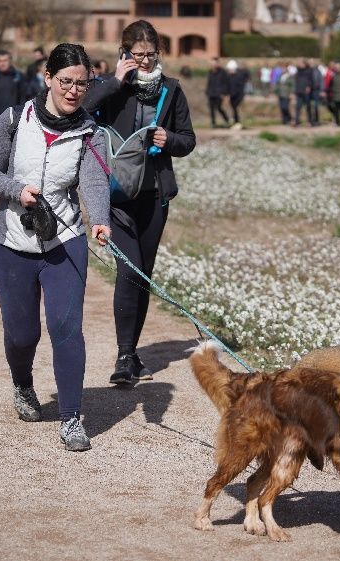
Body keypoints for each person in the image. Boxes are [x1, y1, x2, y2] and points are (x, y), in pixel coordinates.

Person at [0, 42, 112, 452]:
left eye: (82, 84)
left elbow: (94, 183)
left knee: (66, 328)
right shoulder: (16, 119)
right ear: (48, 78)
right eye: (66, 81)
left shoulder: (92, 133)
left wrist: (100, 219)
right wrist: (16, 190)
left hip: (64, 243)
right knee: (22, 335)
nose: (73, 90)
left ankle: (71, 417)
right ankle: (23, 384)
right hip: (12, 243)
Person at [83, 19, 196, 385]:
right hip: (116, 195)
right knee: (129, 271)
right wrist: (116, 80)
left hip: (154, 195)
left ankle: (131, 355)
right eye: (137, 55)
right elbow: (82, 110)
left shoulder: (172, 90)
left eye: (150, 55)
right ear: (125, 52)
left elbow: (188, 139)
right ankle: (123, 356)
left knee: (143, 275)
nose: (145, 62)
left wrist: (170, 139)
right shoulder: (112, 86)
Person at [205, 57, 229, 128]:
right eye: (212, 63)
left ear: (218, 63)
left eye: (215, 63)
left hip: (219, 93)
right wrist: (207, 91)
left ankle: (227, 120)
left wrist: (224, 93)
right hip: (211, 93)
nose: (213, 65)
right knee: (211, 108)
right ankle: (213, 123)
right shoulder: (210, 72)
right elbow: (209, 82)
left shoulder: (222, 72)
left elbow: (226, 83)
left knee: (219, 107)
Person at [226, 60, 248, 129]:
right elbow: (228, 86)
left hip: (238, 95)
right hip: (232, 96)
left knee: (236, 108)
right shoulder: (229, 77)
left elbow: (239, 87)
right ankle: (236, 122)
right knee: (234, 109)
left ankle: (239, 122)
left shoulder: (239, 76)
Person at [293, 59, 313, 126]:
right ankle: (296, 121)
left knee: (308, 107)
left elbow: (311, 80)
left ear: (304, 64)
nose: (299, 64)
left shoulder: (309, 71)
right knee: (298, 107)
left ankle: (309, 121)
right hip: (299, 91)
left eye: (300, 63)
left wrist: (309, 86)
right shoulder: (298, 72)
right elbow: (296, 82)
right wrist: (295, 91)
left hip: (306, 92)